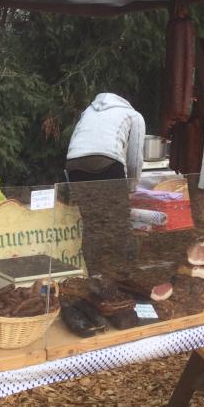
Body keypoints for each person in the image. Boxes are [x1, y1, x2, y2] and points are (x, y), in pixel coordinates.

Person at [65, 93, 146, 275]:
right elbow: (135, 160)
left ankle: (95, 276)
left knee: (92, 224)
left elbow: (74, 144)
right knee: (119, 225)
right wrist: (131, 187)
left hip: (74, 164)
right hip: (108, 162)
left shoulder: (88, 111)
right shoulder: (134, 116)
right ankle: (125, 278)